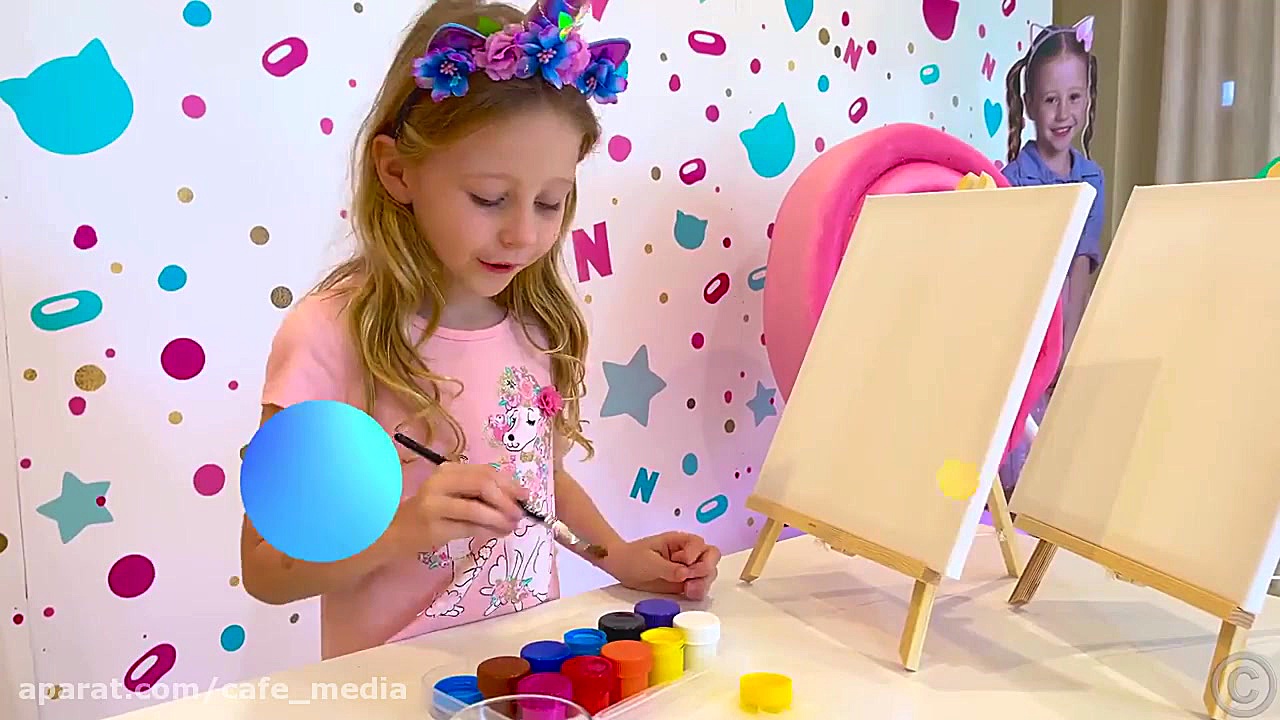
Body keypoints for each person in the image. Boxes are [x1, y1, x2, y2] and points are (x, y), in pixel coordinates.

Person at [239, 0, 721, 660]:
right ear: (397, 171)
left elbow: (540, 482)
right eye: (489, 198)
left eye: (550, 202)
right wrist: (407, 528)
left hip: (528, 669)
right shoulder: (331, 334)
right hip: (388, 691)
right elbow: (266, 571)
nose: (523, 233)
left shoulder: (539, 324)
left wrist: (619, 556)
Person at [997, 16, 1103, 495]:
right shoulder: (1014, 179)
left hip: (1067, 335)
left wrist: (1069, 349)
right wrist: (1035, 350)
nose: (1063, 113)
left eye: (1074, 97)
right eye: (1050, 100)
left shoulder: (1091, 178)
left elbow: (1081, 267)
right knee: (1019, 453)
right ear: (1030, 105)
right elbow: (1013, 276)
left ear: (1088, 98)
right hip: (1024, 336)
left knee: (1061, 457)